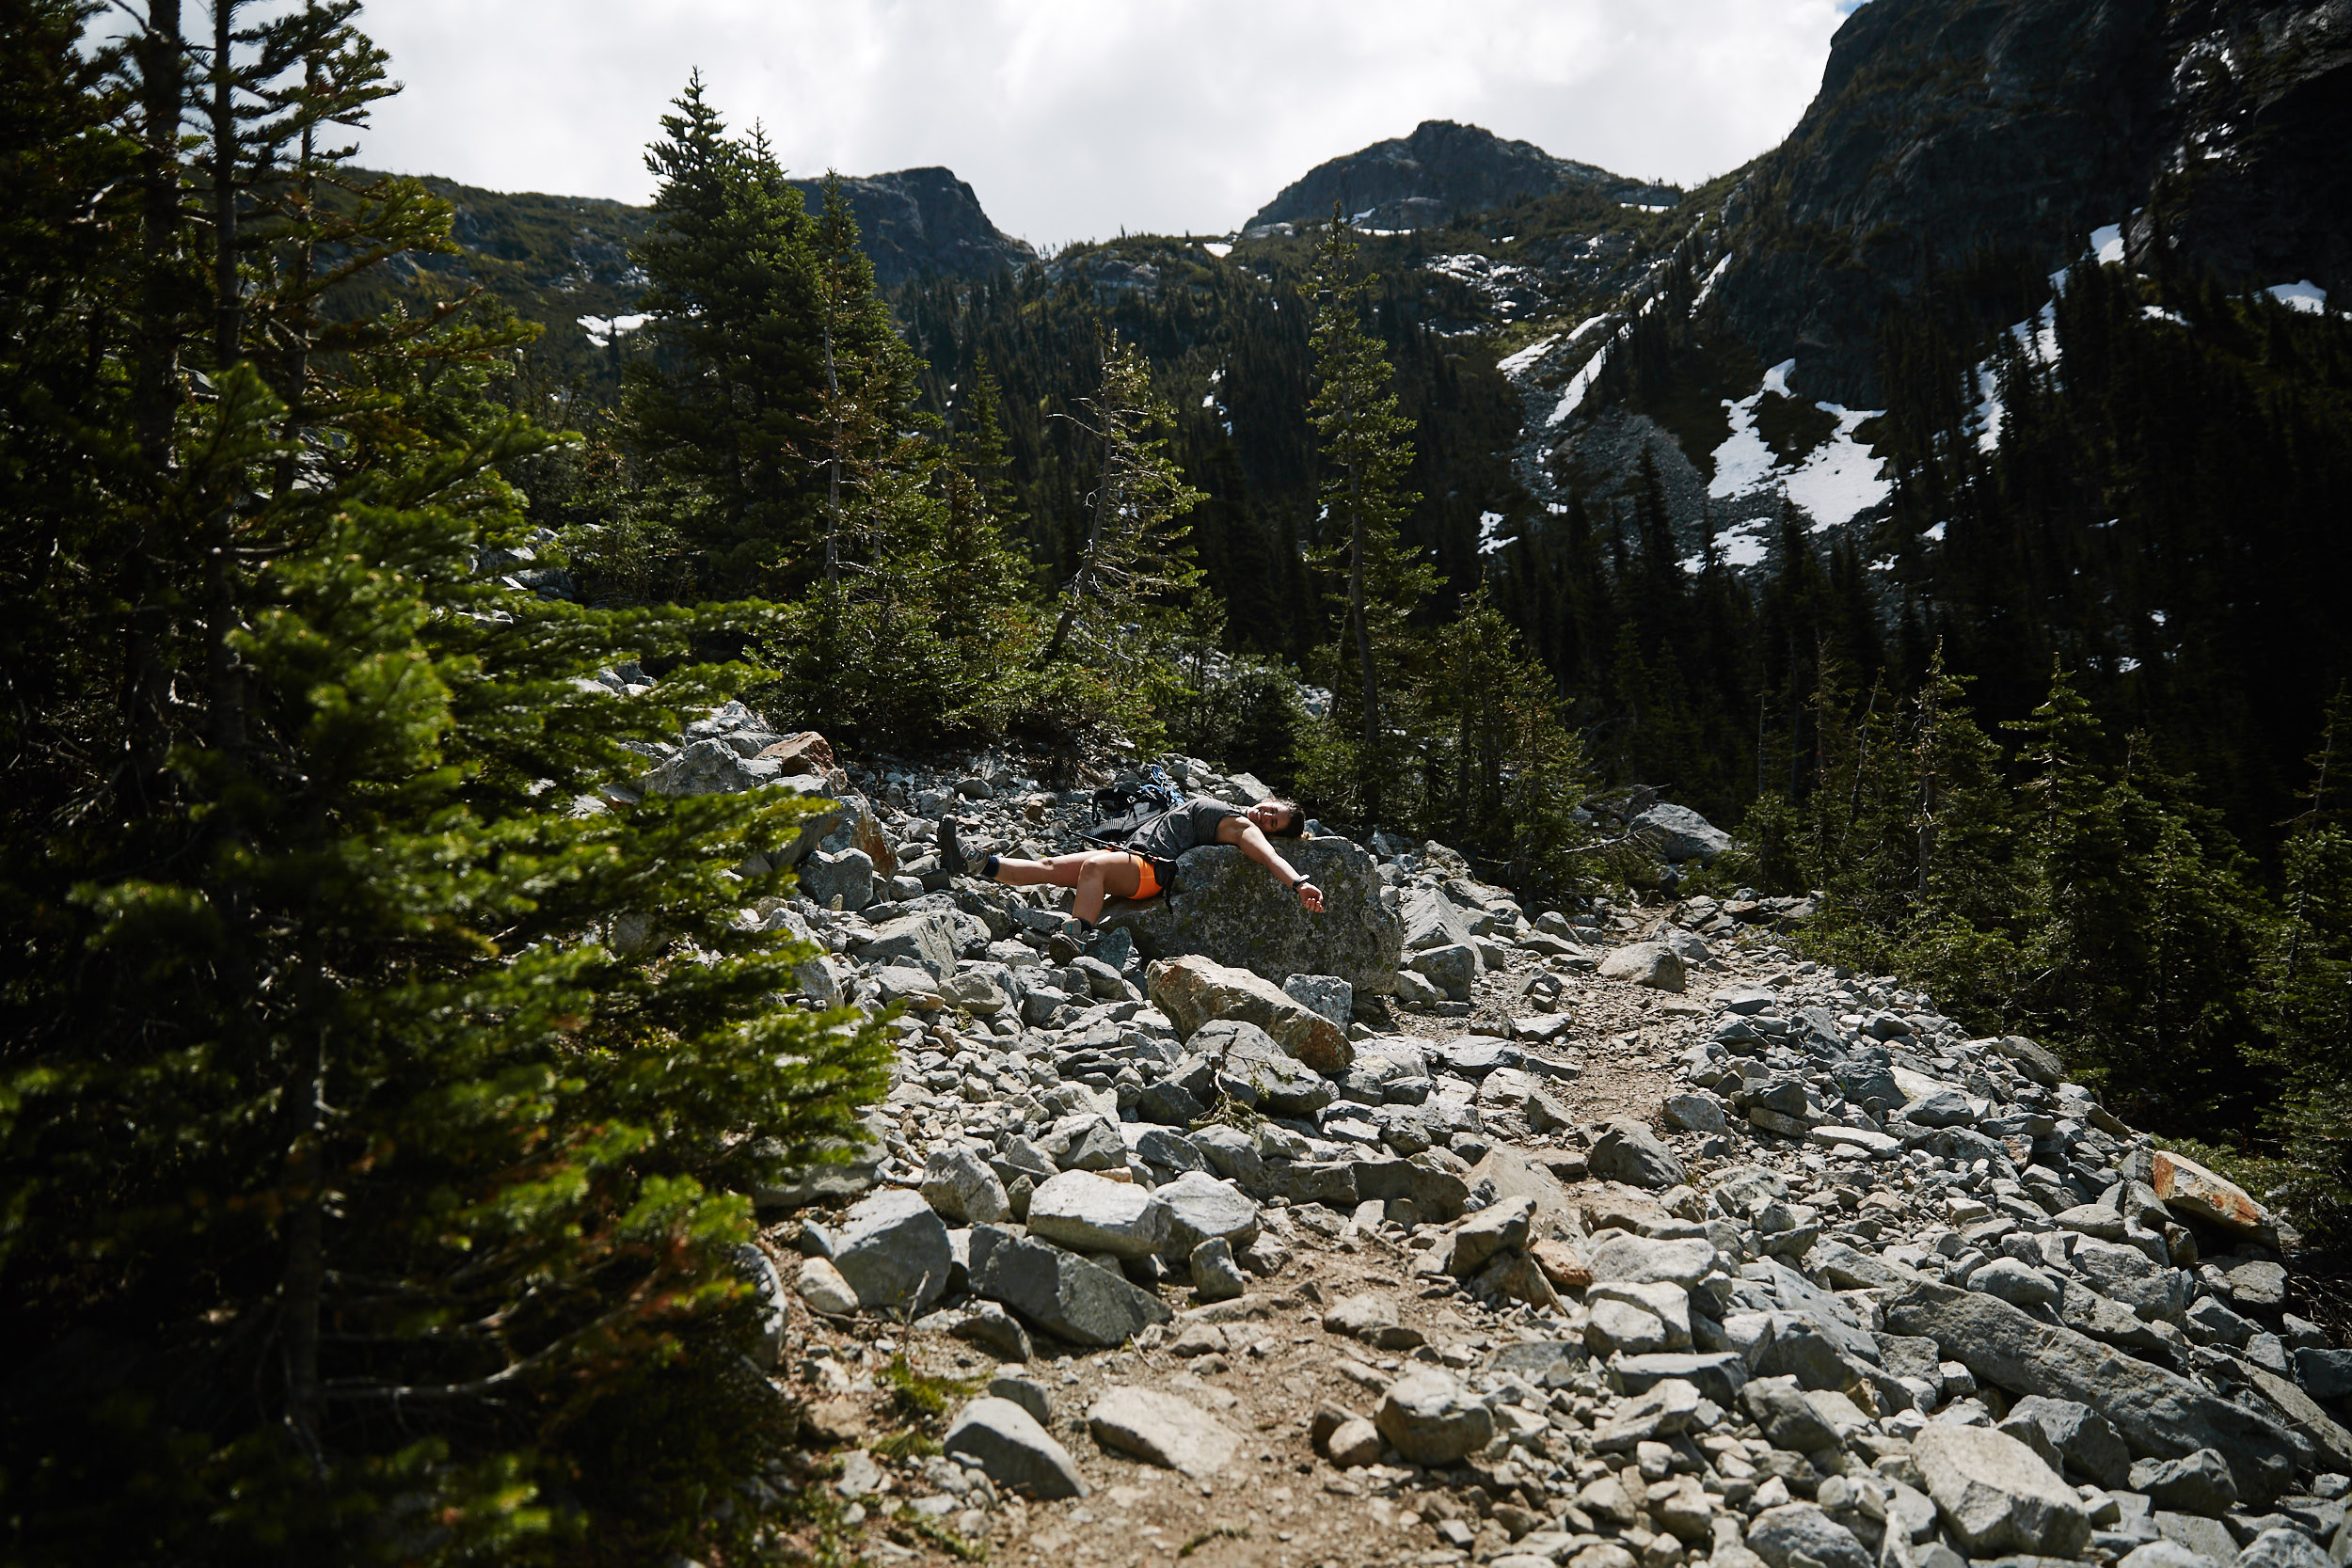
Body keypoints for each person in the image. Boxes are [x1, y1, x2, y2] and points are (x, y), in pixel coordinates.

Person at [941, 797, 1325, 955]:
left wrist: (1299, 883)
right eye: (1271, 810)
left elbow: (1270, 858)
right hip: (1129, 855)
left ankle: (1076, 935)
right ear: (1270, 798)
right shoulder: (1235, 806)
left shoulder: (1244, 828)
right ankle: (976, 862)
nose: (1265, 817)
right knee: (1050, 869)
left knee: (1092, 868)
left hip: (1151, 870)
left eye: (1273, 822)